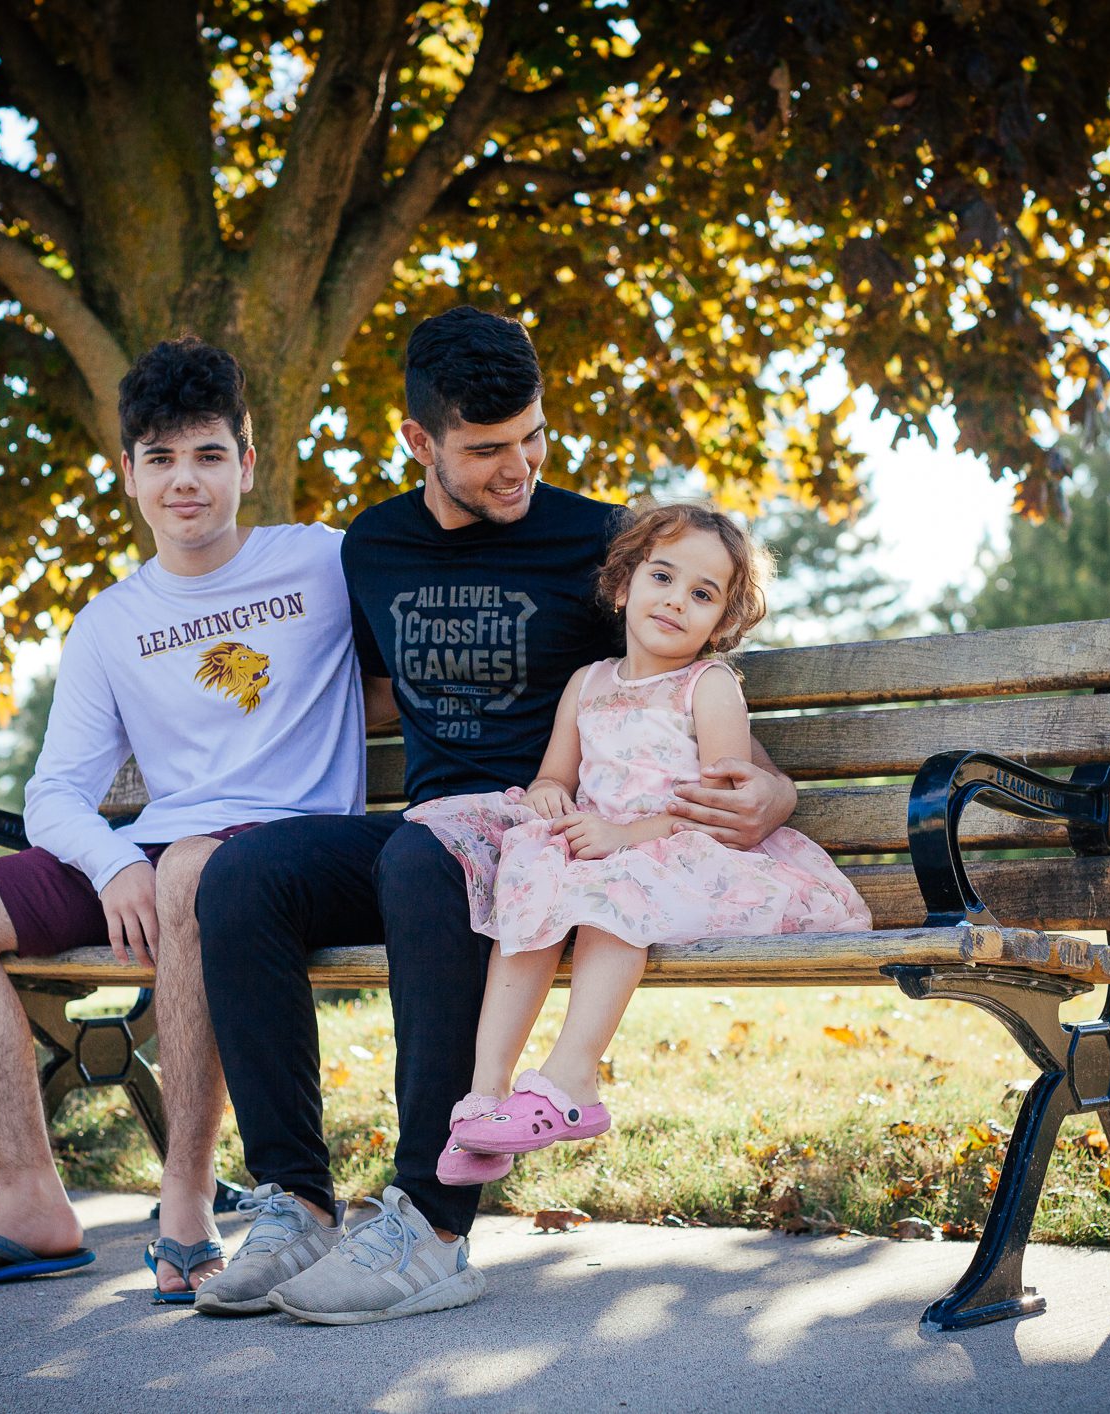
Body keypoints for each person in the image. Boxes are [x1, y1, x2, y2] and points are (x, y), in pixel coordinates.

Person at [194, 306, 799, 1325]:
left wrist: (771, 788)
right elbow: (360, 686)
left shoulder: (601, 539)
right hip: (434, 825)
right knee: (242, 875)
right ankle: (295, 1203)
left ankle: (430, 1225)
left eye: (532, 438)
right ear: (419, 442)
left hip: (548, 839)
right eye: (485, 451)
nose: (517, 466)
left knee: (422, 861)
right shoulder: (375, 545)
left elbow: (685, 677)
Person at [0, 338, 365, 1301]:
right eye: (161, 459)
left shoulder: (322, 562)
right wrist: (111, 864)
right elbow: (56, 792)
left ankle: (185, 1201)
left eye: (207, 455)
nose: (184, 481)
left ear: (247, 461)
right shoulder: (110, 621)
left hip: (284, 852)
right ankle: (29, 1198)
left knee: (193, 868)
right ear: (129, 473)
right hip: (158, 851)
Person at [406, 502, 871, 1178]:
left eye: (703, 594)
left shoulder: (708, 688)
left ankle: (571, 1079)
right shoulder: (586, 684)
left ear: (723, 622)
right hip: (605, 846)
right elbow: (553, 777)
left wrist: (626, 835)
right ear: (623, 586)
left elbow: (722, 812)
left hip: (687, 853)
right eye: (662, 577)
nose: (677, 600)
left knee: (613, 889)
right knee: (529, 869)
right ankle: (485, 1094)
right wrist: (548, 803)